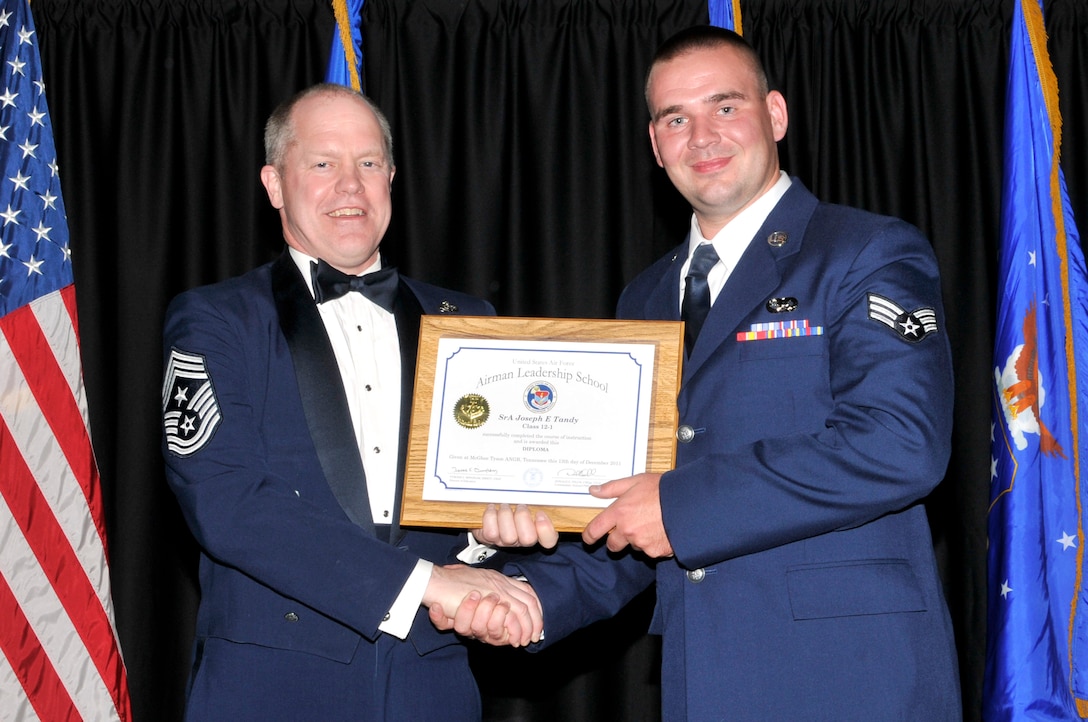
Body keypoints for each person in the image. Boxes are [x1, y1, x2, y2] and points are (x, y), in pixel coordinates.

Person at [442, 25, 962, 720]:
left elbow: (901, 444)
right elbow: (631, 511)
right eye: (675, 119)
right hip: (701, 677)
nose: (702, 136)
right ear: (656, 145)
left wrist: (679, 508)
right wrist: (531, 597)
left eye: (725, 106)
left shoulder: (865, 251)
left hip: (851, 677)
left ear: (775, 114)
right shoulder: (647, 298)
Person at [161, 83, 544, 721]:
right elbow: (225, 502)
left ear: (392, 177)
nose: (350, 185)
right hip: (272, 688)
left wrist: (481, 539)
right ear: (274, 183)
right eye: (322, 163)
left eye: (368, 163)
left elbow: (481, 500)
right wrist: (426, 582)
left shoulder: (469, 322)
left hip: (434, 685)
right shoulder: (216, 320)